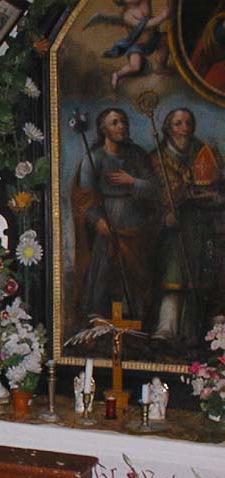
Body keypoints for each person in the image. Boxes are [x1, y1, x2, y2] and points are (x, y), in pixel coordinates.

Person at [71, 107, 159, 326]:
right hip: (107, 224)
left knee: (134, 274)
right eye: (115, 122)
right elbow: (84, 198)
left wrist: (133, 181)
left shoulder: (137, 155)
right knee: (105, 271)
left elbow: (155, 188)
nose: (121, 126)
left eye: (123, 122)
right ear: (103, 129)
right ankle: (100, 321)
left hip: (135, 224)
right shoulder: (95, 158)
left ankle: (133, 319)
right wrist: (97, 220)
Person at [150, 108, 225, 343]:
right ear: (168, 129)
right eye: (178, 124)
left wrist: (211, 195)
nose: (184, 128)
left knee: (205, 276)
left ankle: (201, 332)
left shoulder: (205, 152)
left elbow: (219, 186)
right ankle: (167, 327)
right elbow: (151, 196)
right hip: (174, 229)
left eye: (188, 123)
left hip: (203, 225)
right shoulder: (157, 157)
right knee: (174, 274)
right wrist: (165, 215)